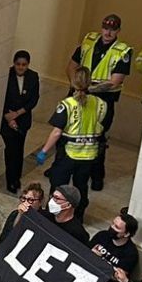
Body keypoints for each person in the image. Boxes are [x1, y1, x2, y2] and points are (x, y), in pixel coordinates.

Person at [69, 14, 130, 192]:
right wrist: (75, 84)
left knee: (97, 139)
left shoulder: (122, 51)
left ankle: (96, 176)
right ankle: (64, 166)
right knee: (70, 132)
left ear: (118, 31)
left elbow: (115, 81)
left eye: (112, 29)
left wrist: (87, 88)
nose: (108, 32)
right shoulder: (89, 40)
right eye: (105, 28)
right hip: (79, 95)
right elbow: (72, 65)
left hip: (103, 100)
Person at [33, 67, 107, 201]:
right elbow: (100, 125)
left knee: (58, 185)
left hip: (67, 154)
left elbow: (56, 132)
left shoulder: (67, 104)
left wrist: (43, 151)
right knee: (81, 188)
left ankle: (54, 214)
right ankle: (78, 215)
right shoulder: (100, 104)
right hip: (88, 155)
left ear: (73, 82)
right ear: (89, 82)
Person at [0, 51, 41, 193]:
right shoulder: (7, 75)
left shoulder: (33, 77)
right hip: (6, 119)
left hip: (23, 119)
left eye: (24, 65)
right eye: (18, 64)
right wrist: (8, 117)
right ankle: (10, 180)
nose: (21, 67)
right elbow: (1, 97)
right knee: (11, 150)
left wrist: (17, 114)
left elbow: (33, 99)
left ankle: (16, 178)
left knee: (19, 150)